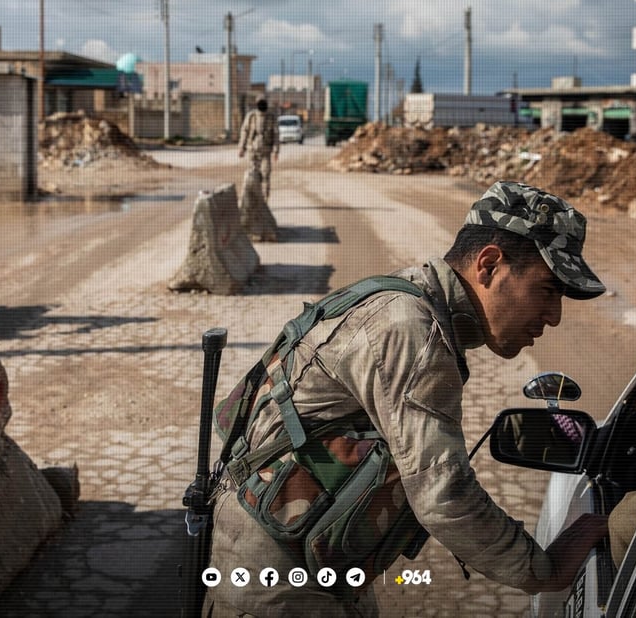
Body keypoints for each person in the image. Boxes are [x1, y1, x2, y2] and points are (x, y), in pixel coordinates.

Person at [204, 181, 610, 616]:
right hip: (279, 594)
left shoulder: (407, 300)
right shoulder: (411, 329)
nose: (554, 316)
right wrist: (545, 570)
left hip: (300, 573)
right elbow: (444, 496)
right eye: (547, 291)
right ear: (489, 265)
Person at [237, 97, 279, 200]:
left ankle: (264, 200)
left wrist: (276, 151)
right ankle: (252, 200)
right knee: (253, 175)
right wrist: (241, 147)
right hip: (252, 151)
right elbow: (244, 131)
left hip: (266, 151)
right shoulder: (251, 116)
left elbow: (276, 134)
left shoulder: (271, 117)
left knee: (265, 175)